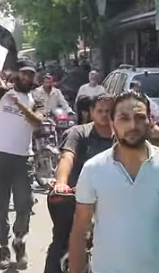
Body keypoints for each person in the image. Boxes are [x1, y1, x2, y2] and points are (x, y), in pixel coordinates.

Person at [69, 90, 159, 273]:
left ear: (150, 122)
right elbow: (80, 231)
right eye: (124, 118)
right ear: (112, 124)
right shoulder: (93, 169)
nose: (133, 125)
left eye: (140, 117)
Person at [0, 48, 43, 269]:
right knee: (0, 206)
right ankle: (4, 248)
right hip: (1, 157)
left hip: (23, 160)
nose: (27, 77)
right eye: (24, 73)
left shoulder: (36, 99)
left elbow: (38, 123)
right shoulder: (2, 93)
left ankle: (19, 241)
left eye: (31, 75)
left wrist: (20, 105)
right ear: (17, 75)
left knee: (24, 204)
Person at [45, 94, 115, 273]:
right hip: (75, 198)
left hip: (111, 201)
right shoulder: (79, 133)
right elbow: (67, 157)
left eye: (109, 111)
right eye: (100, 111)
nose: (104, 114)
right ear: (91, 112)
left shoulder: (123, 137)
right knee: (62, 239)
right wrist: (61, 183)